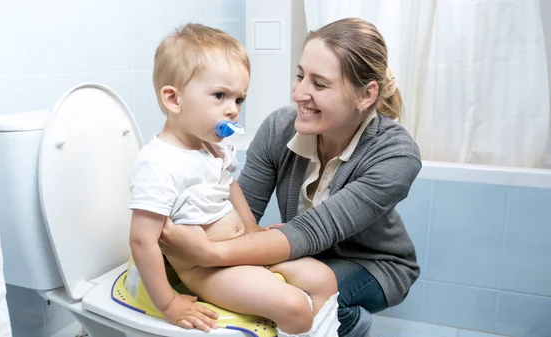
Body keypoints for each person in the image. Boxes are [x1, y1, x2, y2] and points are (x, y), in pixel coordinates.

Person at [159, 17, 422, 337]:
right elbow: (245, 214)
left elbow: (314, 232)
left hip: (373, 264)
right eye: (300, 76)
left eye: (319, 84)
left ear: (365, 95)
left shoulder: (396, 154)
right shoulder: (279, 127)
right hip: (303, 251)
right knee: (259, 290)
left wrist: (205, 254)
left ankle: (353, 323)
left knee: (298, 301)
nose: (299, 93)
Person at [127, 23, 340, 336]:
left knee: (325, 279)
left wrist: (252, 230)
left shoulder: (213, 145)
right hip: (204, 268)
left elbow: (230, 186)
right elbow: (141, 240)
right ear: (174, 99)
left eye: (239, 99)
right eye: (219, 96)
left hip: (235, 249)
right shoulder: (159, 163)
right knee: (294, 307)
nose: (233, 111)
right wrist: (169, 303)